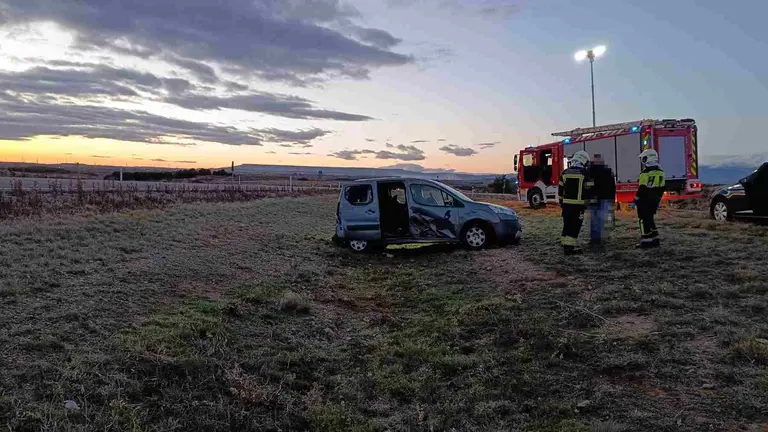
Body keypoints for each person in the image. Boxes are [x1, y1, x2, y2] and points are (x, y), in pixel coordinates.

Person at [558, 150, 593, 255]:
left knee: (567, 225)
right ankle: (569, 249)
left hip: (566, 205)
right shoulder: (586, 174)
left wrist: (561, 202)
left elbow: (560, 190)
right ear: (584, 161)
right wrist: (588, 202)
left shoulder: (564, 173)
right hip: (578, 206)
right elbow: (589, 190)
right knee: (574, 227)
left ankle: (564, 243)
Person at [632, 149, 665, 249]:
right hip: (654, 200)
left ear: (648, 158)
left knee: (643, 220)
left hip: (644, 201)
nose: (643, 160)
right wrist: (658, 200)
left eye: (644, 158)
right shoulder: (661, 172)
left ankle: (646, 241)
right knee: (650, 219)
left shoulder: (644, 173)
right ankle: (655, 240)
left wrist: (635, 200)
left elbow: (642, 188)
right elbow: (662, 188)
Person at [587, 153, 616, 245]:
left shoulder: (605, 171)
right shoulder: (590, 171)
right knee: (595, 219)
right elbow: (587, 186)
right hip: (597, 198)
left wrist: (612, 198)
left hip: (603, 198)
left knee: (602, 219)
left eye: (598, 159)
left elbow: (612, 185)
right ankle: (596, 238)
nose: (597, 161)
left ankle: (601, 237)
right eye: (596, 160)